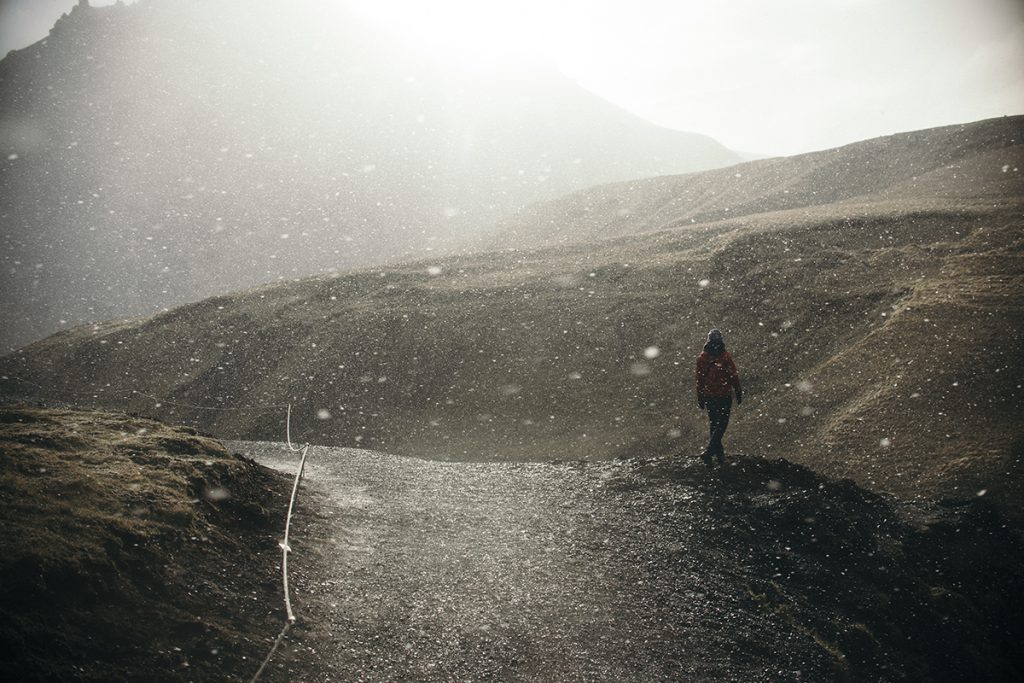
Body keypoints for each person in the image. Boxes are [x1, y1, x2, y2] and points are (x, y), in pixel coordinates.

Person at [695, 328, 743, 466]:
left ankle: (718, 456)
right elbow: (733, 375)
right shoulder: (725, 357)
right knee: (721, 424)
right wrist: (738, 391)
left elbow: (700, 380)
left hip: (709, 396)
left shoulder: (702, 358)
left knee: (714, 424)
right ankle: (710, 453)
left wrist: (700, 397)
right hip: (724, 395)